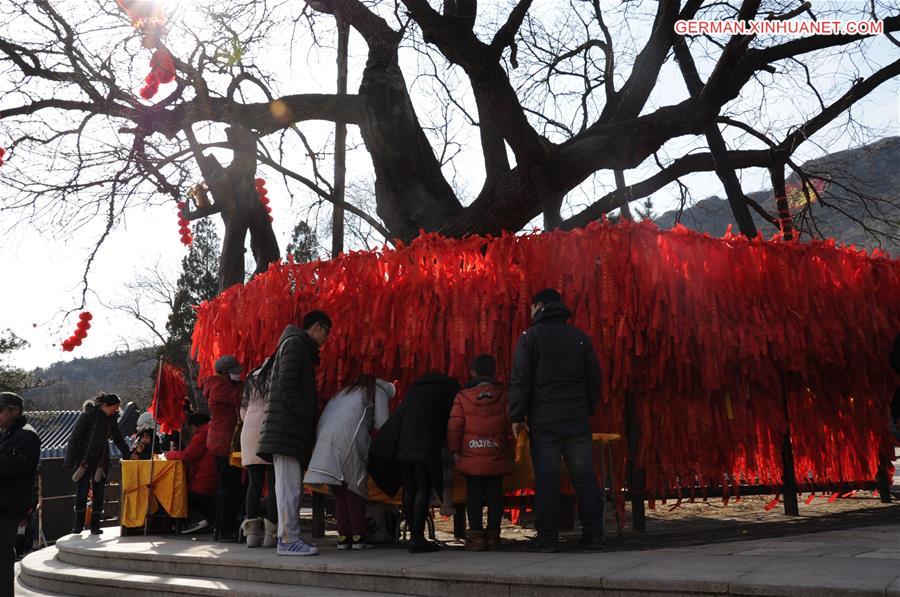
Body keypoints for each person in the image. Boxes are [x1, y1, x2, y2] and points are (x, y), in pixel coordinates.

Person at [509, 288, 604, 553]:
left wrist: (517, 415)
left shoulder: (530, 339)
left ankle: (548, 538)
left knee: (547, 478)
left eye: (530, 307)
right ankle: (594, 534)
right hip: (577, 419)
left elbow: (521, 379)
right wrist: (587, 407)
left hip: (544, 421)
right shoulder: (579, 338)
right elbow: (595, 378)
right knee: (584, 477)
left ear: (539, 306)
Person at [257, 311, 332, 556]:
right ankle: (288, 540)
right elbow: (287, 384)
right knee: (289, 488)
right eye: (327, 332)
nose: (326, 339)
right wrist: (305, 414)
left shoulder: (295, 344)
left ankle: (289, 537)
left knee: (289, 487)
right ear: (317, 327)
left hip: (287, 429)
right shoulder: (295, 344)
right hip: (287, 429)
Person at [305, 374, 395, 550]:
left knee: (339, 489)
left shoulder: (346, 392)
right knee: (355, 488)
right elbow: (383, 424)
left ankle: (343, 536)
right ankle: (358, 536)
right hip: (349, 439)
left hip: (324, 436)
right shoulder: (379, 391)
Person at [375, 372, 460, 554]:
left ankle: (414, 536)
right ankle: (418, 538)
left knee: (410, 488)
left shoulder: (414, 392)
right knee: (423, 487)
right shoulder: (448, 391)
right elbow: (451, 423)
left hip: (403, 448)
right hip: (425, 447)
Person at [447, 355, 513, 551]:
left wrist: (454, 450)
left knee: (473, 496)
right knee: (495, 496)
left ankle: (475, 537)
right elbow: (511, 427)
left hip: (471, 455)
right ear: (494, 372)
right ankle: (493, 537)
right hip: (496, 453)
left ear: (472, 372)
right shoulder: (504, 396)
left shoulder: (462, 397)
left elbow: (454, 427)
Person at [64, 393, 133, 536]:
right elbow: (74, 437)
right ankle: (78, 525)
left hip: (101, 461)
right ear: (104, 406)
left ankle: (95, 525)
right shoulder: (87, 416)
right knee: (82, 492)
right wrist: (69, 460)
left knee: (99, 493)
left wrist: (128, 454)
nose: (116, 410)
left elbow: (118, 439)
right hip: (84, 459)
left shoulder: (111, 420)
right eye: (114, 407)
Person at [0, 392, 40, 597]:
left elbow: (18, 467)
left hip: (9, 504)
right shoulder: (8, 432)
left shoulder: (26, 435)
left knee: (3, 554)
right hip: (4, 502)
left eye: (0, 411)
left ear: (14, 411)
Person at [204, 355, 244, 542]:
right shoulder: (220, 388)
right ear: (225, 374)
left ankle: (222, 526)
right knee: (228, 486)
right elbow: (241, 397)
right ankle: (225, 527)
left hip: (223, 441)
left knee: (228, 485)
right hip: (224, 443)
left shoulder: (218, 385)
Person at [239, 358, 278, 548]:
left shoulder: (251, 379)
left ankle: (252, 535)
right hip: (270, 428)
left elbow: (243, 412)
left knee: (254, 484)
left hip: (248, 431)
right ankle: (271, 534)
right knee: (273, 484)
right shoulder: (276, 376)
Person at [165, 413, 217, 534]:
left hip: (203, 479)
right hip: (213, 477)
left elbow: (187, 456)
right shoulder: (212, 431)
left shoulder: (201, 435)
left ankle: (197, 519)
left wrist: (169, 455)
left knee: (177, 493)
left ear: (194, 426)